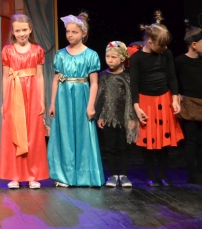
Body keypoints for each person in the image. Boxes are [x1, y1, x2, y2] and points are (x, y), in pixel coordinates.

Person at [47, 13, 104, 188]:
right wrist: (52, 103)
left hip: (82, 95)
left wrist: (91, 105)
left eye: (74, 32)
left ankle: (86, 175)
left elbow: (94, 83)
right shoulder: (60, 54)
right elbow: (56, 79)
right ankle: (65, 176)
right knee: (64, 134)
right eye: (68, 32)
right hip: (63, 96)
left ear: (83, 33)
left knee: (83, 134)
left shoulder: (91, 55)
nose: (70, 35)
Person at [130, 14, 184, 186]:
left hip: (163, 99)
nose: (164, 48)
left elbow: (172, 77)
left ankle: (162, 174)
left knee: (163, 141)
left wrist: (174, 98)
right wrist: (136, 107)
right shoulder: (137, 58)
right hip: (146, 102)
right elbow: (134, 84)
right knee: (148, 141)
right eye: (161, 45)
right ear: (150, 42)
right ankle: (150, 175)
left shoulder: (166, 53)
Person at [0, 14, 49, 189]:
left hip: (32, 93)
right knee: (14, 132)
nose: (21, 33)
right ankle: (15, 175)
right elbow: (5, 77)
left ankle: (32, 175)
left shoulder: (37, 50)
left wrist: (42, 100)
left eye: (24, 30)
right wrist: (5, 101)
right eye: (18, 30)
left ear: (30, 30)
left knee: (33, 134)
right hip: (14, 93)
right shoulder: (7, 50)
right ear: (13, 32)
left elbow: (40, 77)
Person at [175, 23, 202, 185]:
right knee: (191, 140)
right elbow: (175, 80)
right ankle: (192, 173)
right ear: (194, 44)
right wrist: (177, 95)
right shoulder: (180, 61)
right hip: (189, 104)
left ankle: (201, 170)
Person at [95, 41, 137, 188]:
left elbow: (131, 97)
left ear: (122, 58)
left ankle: (123, 175)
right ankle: (112, 175)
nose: (110, 60)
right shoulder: (103, 76)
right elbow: (100, 97)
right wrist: (100, 116)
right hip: (108, 117)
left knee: (123, 147)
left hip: (124, 117)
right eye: (108, 56)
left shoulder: (128, 76)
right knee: (110, 147)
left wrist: (132, 117)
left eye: (114, 57)